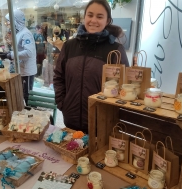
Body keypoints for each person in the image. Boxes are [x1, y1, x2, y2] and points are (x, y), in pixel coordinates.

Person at [53, 0, 129, 133]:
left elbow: (124, 86)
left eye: (99, 17)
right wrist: (62, 103)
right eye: (90, 15)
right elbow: (59, 77)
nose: (93, 20)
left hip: (101, 124)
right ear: (84, 17)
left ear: (107, 20)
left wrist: (111, 114)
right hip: (71, 120)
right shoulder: (70, 46)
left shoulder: (115, 50)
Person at [0, 9, 37, 105]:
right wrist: (8, 53)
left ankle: (30, 116)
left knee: (27, 96)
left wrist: (10, 55)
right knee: (23, 95)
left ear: (16, 21)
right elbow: (19, 50)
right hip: (21, 69)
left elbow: (29, 52)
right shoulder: (19, 33)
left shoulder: (25, 34)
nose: (7, 23)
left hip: (27, 71)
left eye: (9, 21)